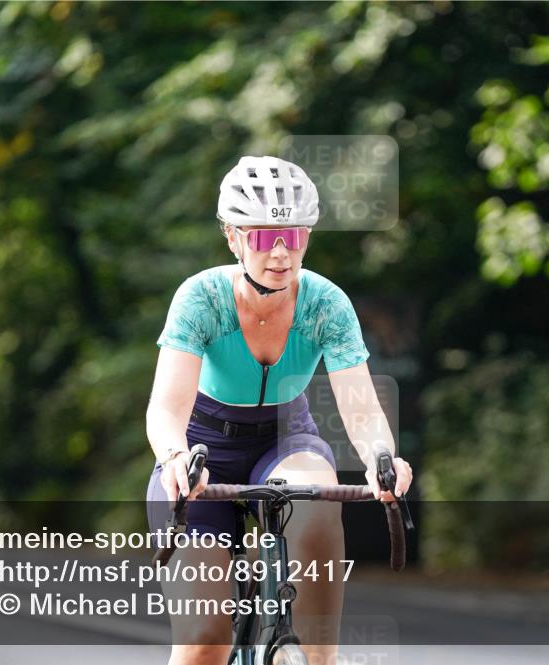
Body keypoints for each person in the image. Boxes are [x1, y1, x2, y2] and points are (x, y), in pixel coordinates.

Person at [146, 155, 414, 665]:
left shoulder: (326, 303)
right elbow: (166, 406)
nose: (279, 253)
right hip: (203, 451)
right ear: (232, 238)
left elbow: (360, 408)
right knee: (204, 640)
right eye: (262, 236)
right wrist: (174, 456)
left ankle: (318, 657)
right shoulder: (200, 298)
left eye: (292, 237)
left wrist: (382, 455)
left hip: (286, 438)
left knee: (316, 509)